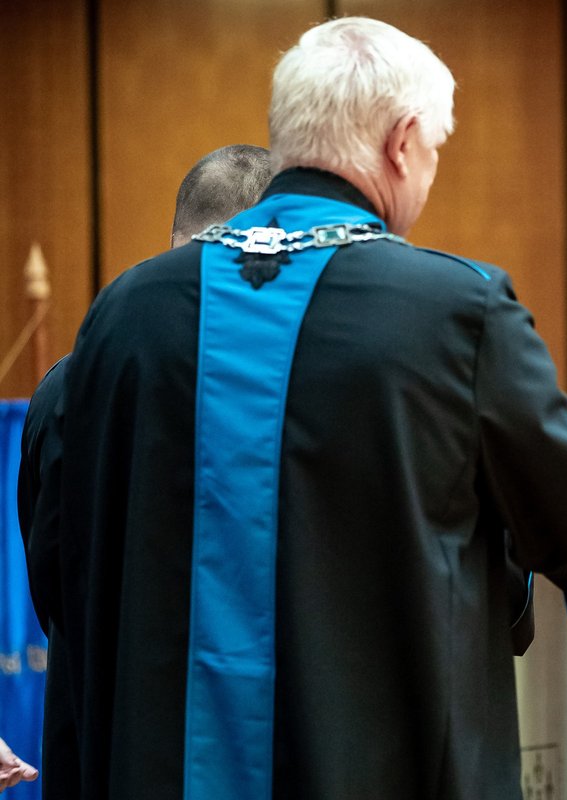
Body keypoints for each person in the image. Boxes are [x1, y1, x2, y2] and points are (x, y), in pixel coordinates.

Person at [39, 16, 567, 800]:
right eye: (435, 151)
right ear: (402, 142)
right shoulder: (454, 313)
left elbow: (63, 570)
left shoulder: (125, 314)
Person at [17, 143, 274, 800]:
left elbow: (51, 585)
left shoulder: (68, 387)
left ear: (173, 239)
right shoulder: (293, 389)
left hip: (101, 742)